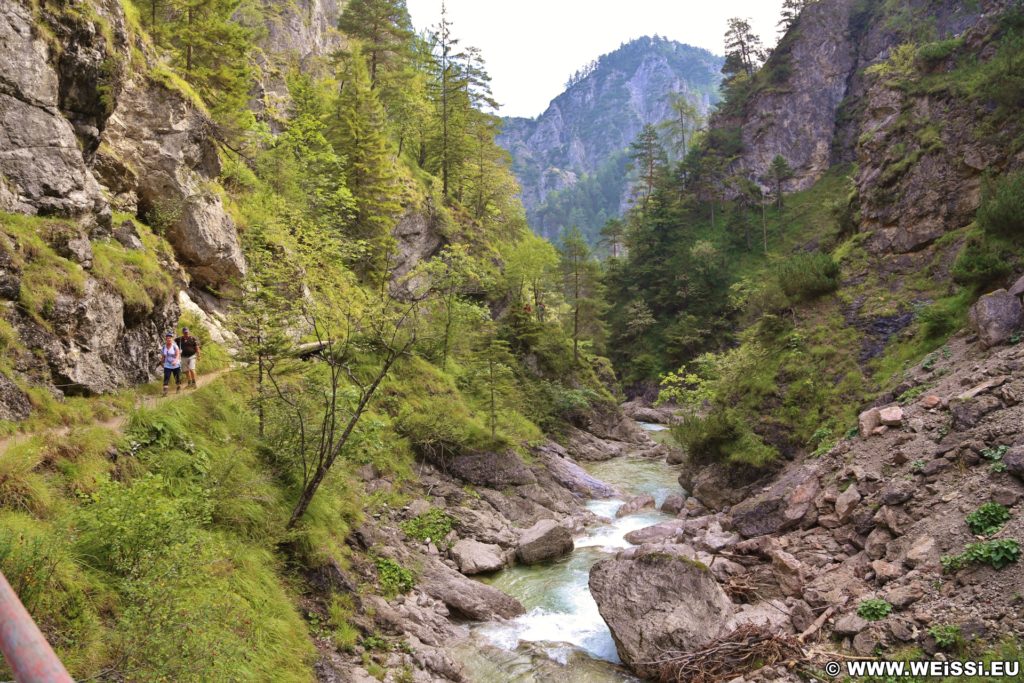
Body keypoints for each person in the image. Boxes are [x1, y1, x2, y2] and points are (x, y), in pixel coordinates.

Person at [160, 331, 181, 396]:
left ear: (172, 339)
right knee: (166, 377)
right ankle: (165, 391)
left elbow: (178, 355)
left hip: (176, 365)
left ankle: (178, 387)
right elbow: (163, 356)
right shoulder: (164, 347)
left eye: (170, 338)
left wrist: (175, 361)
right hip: (167, 365)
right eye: (167, 338)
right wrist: (161, 361)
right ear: (166, 339)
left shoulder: (175, 346)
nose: (169, 339)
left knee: (177, 377)